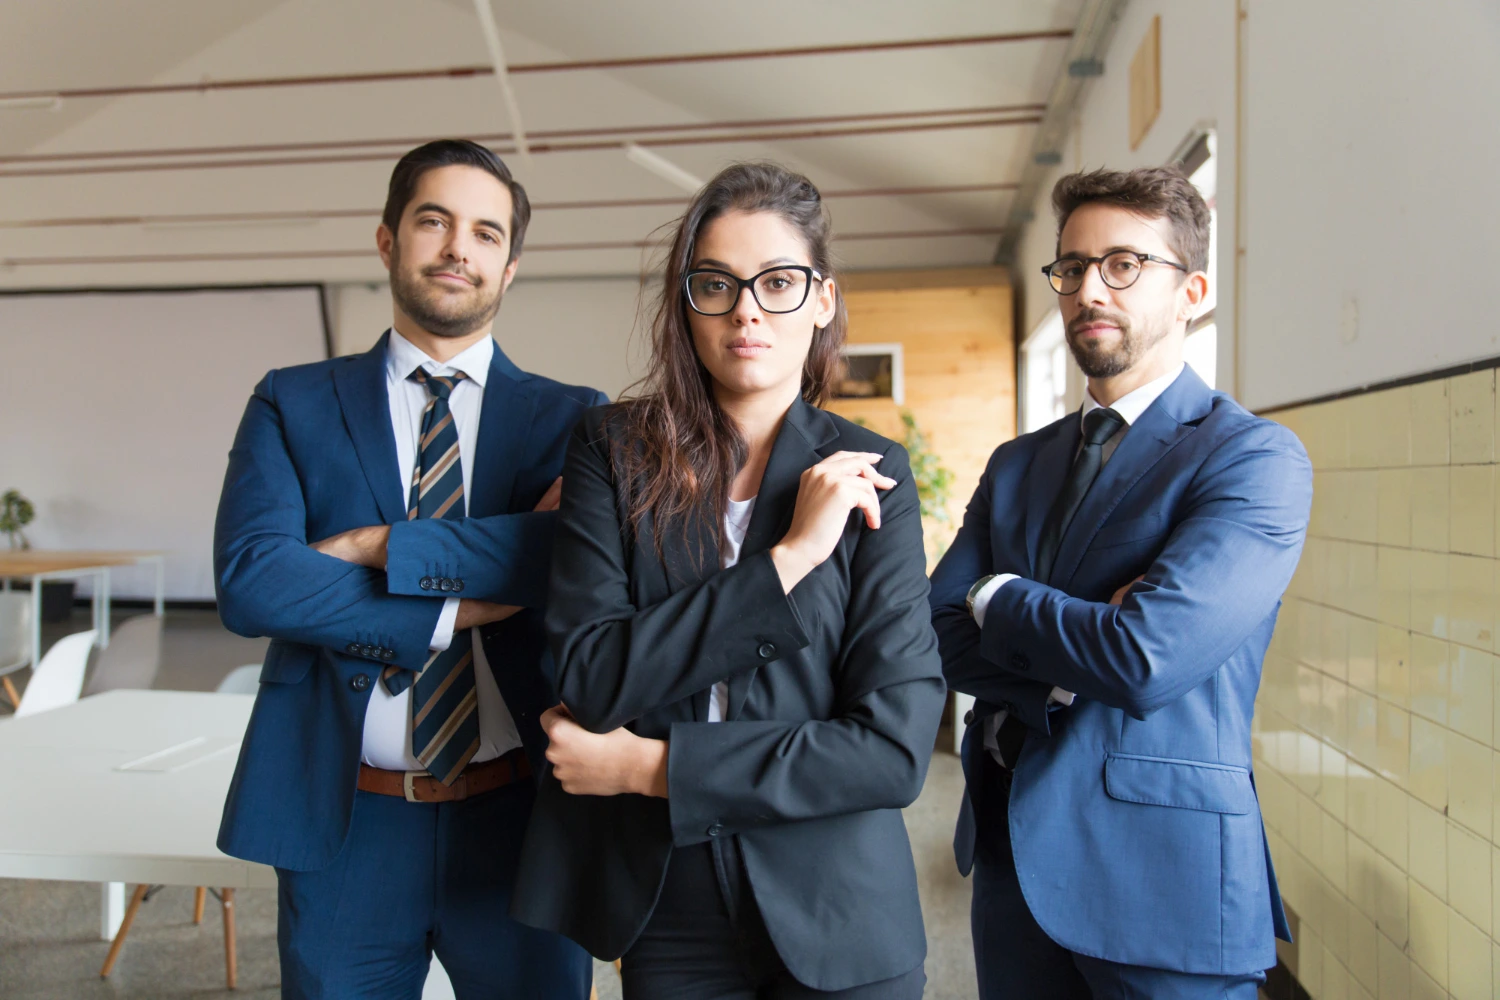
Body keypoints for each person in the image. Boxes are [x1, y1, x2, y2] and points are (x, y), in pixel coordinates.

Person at [509, 161, 946, 999]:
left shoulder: (870, 470)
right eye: (716, 283)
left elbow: (890, 751)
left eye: (778, 281)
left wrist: (651, 767)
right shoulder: (613, 451)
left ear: (821, 300)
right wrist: (788, 560)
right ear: (687, 302)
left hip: (838, 908)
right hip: (667, 898)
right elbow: (592, 678)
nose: (746, 307)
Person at [214, 139, 603, 999]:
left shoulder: (577, 420)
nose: (460, 247)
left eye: (487, 233)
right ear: (388, 240)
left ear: (511, 267)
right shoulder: (293, 399)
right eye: (435, 221)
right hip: (344, 824)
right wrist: (454, 607)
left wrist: (376, 546)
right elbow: (253, 581)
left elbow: (567, 562)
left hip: (521, 822)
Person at [929, 166, 1310, 999]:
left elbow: (1146, 658)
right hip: (1012, 861)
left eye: (1125, 264)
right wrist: (1076, 658)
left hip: (1162, 882)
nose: (1089, 288)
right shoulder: (1019, 462)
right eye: (1072, 267)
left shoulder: (1251, 458)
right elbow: (937, 632)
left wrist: (998, 596)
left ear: (1192, 291)